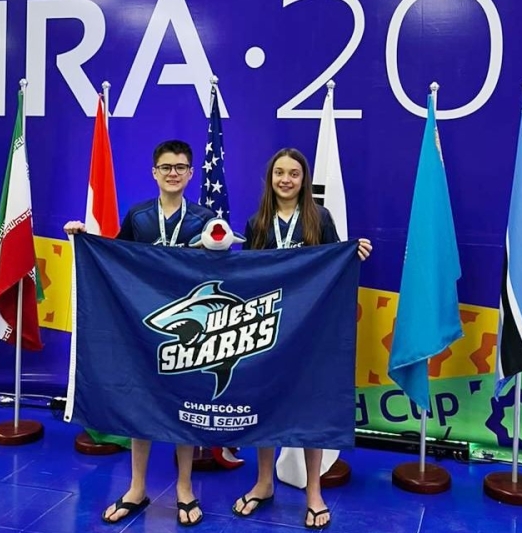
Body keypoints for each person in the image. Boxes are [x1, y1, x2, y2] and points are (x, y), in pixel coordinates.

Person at [64, 140, 214, 526]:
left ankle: (184, 487)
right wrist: (82, 239)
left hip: (188, 334)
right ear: (154, 172)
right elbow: (113, 260)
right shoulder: (139, 216)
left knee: (185, 406)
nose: (173, 173)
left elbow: (221, 268)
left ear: (191, 172)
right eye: (166, 167)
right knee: (141, 404)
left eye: (181, 167)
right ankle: (137, 487)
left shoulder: (205, 218)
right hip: (144, 328)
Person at [232, 148, 372, 529]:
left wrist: (353, 251)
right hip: (267, 332)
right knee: (264, 405)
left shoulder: (319, 218)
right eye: (279, 172)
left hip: (310, 332)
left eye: (294, 173)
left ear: (303, 179)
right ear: (270, 178)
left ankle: (313, 491)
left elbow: (335, 264)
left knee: (310, 408)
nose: (286, 180)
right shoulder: (257, 221)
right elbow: (245, 276)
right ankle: (263, 483)